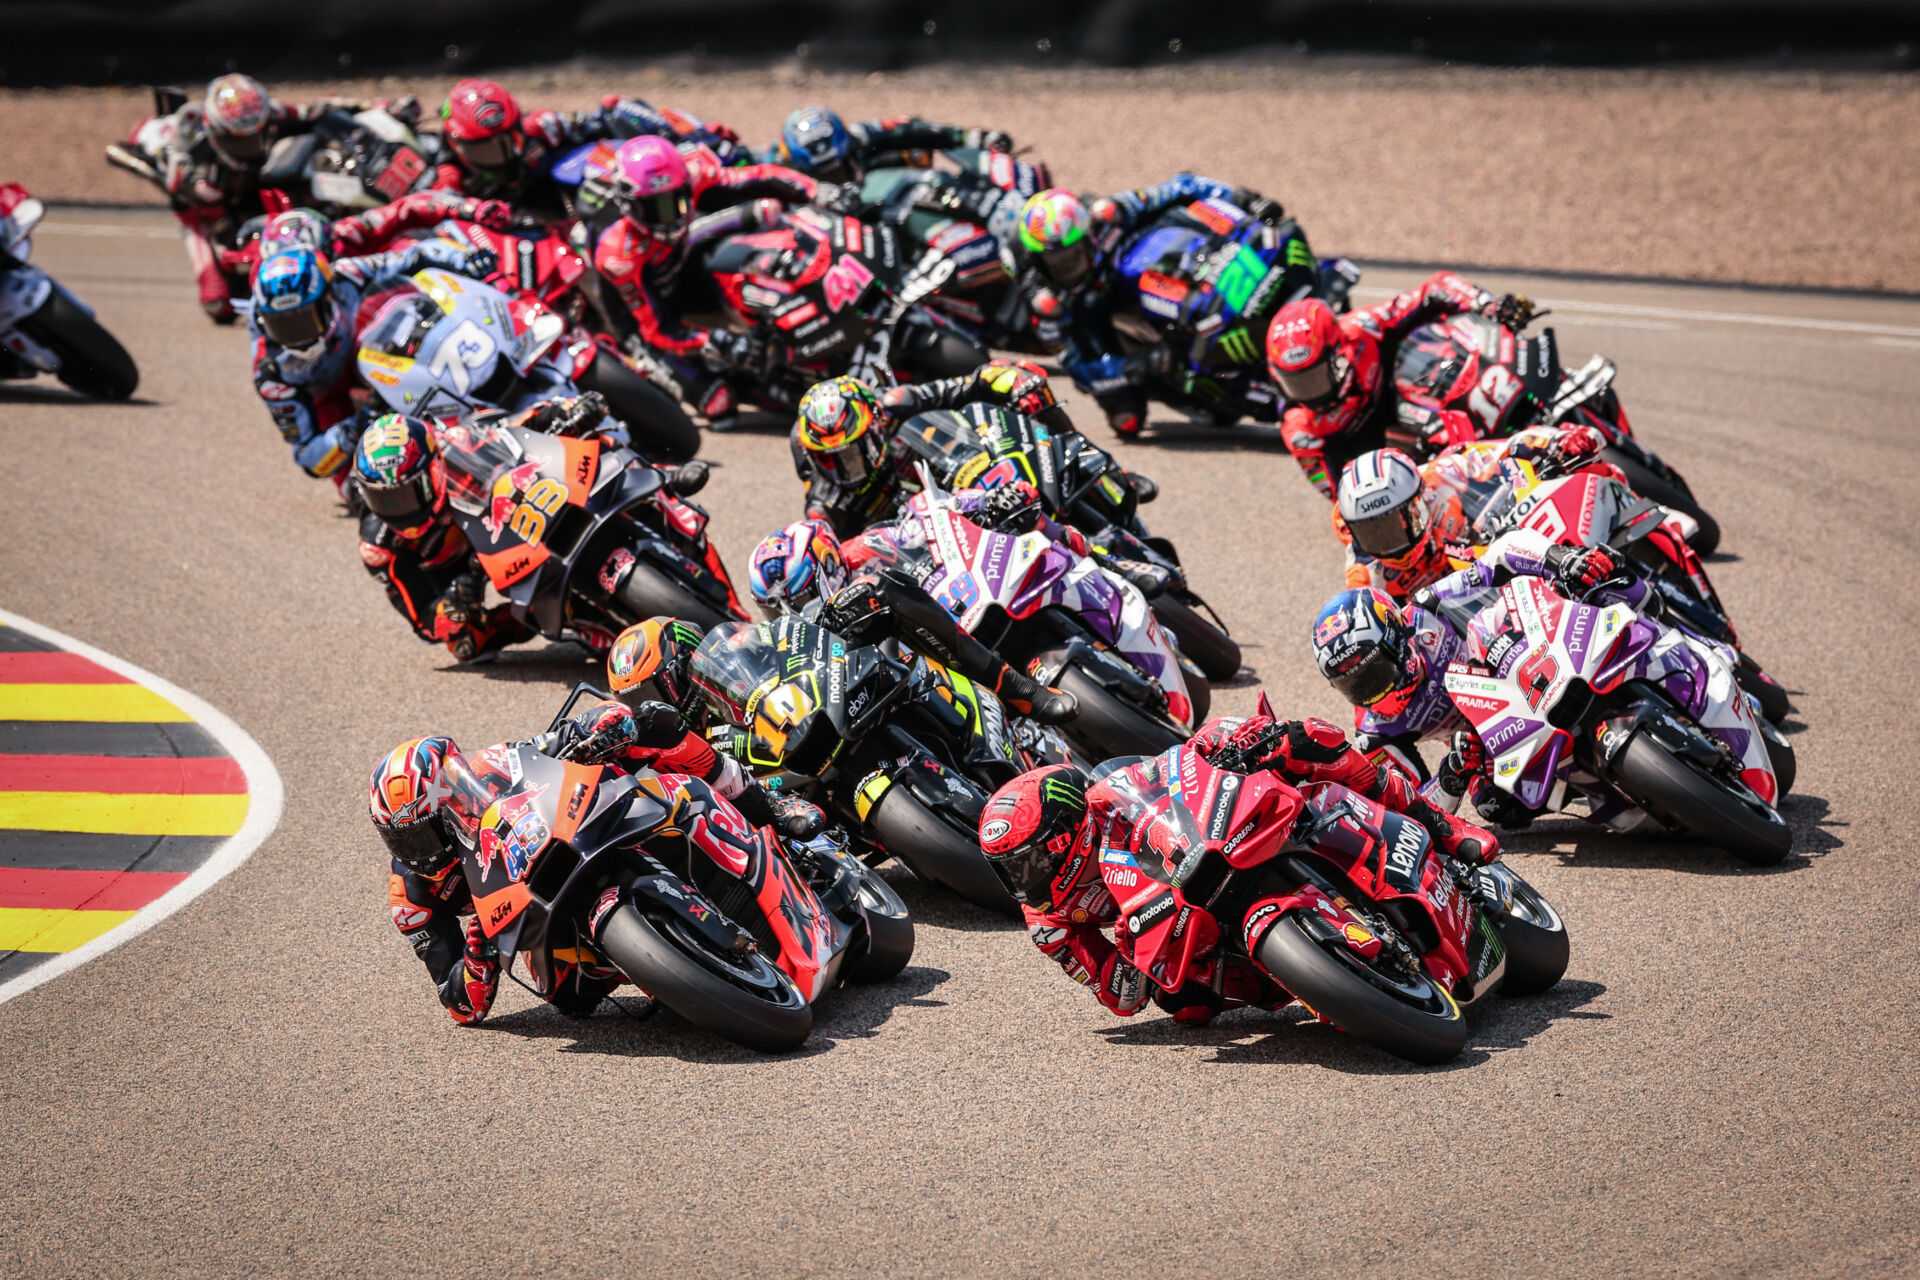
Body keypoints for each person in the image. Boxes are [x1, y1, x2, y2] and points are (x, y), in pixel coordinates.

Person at [977, 698, 1498, 1022]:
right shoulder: (1048, 922)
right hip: (1174, 921)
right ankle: (1324, 973)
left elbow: (1172, 765)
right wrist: (1129, 961)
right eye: (1008, 871)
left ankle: (1439, 823)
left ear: (1067, 834)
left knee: (1302, 741)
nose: (1022, 881)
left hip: (1197, 849)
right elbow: (1122, 996)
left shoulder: (1107, 798)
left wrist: (1225, 743)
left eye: (1028, 862)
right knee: (1184, 1007)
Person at [370, 709, 822, 1025]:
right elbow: (460, 1005)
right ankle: (672, 967)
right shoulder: (410, 897)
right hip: (530, 913)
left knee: (661, 747)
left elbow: (554, 743)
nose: (416, 849)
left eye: (421, 832)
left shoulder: (492, 767)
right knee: (566, 996)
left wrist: (598, 727)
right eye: (400, 838)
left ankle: (768, 807)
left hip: (571, 840)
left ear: (447, 799)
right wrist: (476, 954)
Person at [1308, 535, 1630, 827]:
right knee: (1493, 803)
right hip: (1494, 728)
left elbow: (1497, 558)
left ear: (1398, 639)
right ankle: (1594, 783)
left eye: (1374, 672)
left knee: (1601, 573)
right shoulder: (1376, 732)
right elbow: (1407, 812)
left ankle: (1658, 623)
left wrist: (1559, 559)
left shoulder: (1425, 608)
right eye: (1354, 685)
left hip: (1531, 652)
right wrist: (1453, 771)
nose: (1370, 690)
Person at [585, 136, 856, 425]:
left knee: (754, 252)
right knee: (718, 402)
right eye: (656, 208)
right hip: (643, 319)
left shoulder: (693, 171)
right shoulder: (617, 253)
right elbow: (656, 329)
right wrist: (719, 342)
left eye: (678, 199)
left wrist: (818, 191)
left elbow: (759, 177)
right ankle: (759, 388)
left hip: (684, 264)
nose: (670, 216)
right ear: (630, 206)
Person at [126, 74, 413, 322]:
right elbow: (190, 210)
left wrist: (383, 106)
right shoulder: (194, 169)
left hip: (250, 178)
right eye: (241, 141)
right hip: (201, 203)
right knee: (217, 302)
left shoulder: (270, 112)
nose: (253, 147)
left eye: (257, 135)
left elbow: (316, 110)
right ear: (217, 134)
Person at [1019, 178, 1293, 437]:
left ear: (1088, 236)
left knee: (1188, 213)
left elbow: (1183, 185)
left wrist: (1241, 198)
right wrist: (1139, 364)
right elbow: (1079, 371)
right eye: (1057, 264)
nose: (1068, 269)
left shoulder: (1109, 214)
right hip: (1115, 336)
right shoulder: (1050, 303)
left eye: (1072, 257)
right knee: (1126, 419)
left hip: (1167, 269)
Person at [743, 516, 1078, 725]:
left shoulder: (865, 548)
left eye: (799, 601)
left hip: (934, 639)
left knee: (887, 587)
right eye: (775, 611)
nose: (792, 616)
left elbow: (927, 523)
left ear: (828, 567)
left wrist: (974, 502)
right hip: (849, 696)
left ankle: (1018, 688)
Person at [1266, 272, 1536, 499]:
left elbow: (1437, 286)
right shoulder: (1301, 429)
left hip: (1416, 395)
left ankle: (1519, 379)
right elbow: (1341, 496)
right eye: (1296, 383)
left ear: (1337, 352)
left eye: (1313, 378)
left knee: (1438, 340)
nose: (1308, 393)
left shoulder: (1362, 327)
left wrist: (1487, 304)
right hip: (1385, 453)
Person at [249, 238, 492, 482]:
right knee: (366, 486)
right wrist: (353, 429)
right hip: (330, 402)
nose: (295, 337)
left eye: (303, 321)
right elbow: (309, 458)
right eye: (282, 326)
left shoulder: (347, 275)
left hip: (372, 351)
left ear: (327, 300)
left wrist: (463, 257)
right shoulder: (273, 376)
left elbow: (413, 254)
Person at [788, 365, 1073, 537]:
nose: (843, 468)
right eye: (827, 458)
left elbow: (966, 385)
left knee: (1029, 384)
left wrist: (1009, 378)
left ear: (875, 428)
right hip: (937, 546)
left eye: (849, 455)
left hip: (965, 474)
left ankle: (1075, 445)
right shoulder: (824, 509)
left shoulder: (893, 405)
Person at [1332, 428, 1608, 601]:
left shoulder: (1443, 473)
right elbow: (1361, 610)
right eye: (1371, 532)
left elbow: (1508, 447)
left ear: (1417, 501)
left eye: (1394, 524)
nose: (1387, 541)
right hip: (1473, 610)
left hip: (1509, 543)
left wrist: (1559, 441)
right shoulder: (1365, 570)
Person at [353, 411, 539, 661]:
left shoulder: (453, 443)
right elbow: (424, 623)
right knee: (464, 642)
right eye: (384, 499)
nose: (398, 509)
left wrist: (555, 411)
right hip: (451, 570)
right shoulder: (378, 546)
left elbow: (515, 425)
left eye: (407, 494)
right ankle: (535, 615)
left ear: (433, 470)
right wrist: (451, 604)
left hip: (498, 520)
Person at [765, 106, 1012, 185]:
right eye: (822, 175)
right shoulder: (772, 169)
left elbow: (911, 129)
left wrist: (975, 137)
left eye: (837, 171)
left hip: (869, 205)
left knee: (915, 154)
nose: (834, 180)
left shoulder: (860, 136)